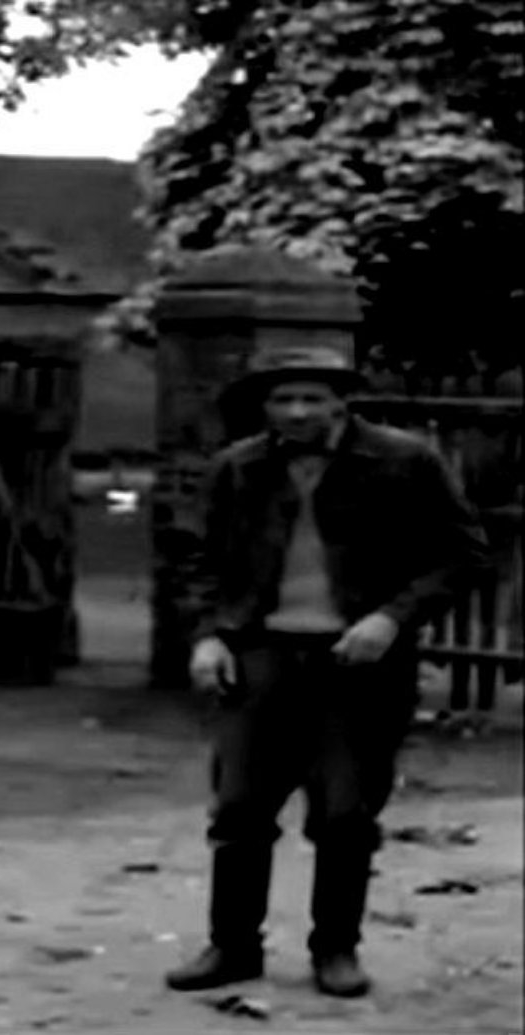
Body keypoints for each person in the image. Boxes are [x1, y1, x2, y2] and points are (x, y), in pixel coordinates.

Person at [165, 342, 491, 998]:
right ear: (264, 406)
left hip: (359, 662)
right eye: (283, 399)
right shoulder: (238, 468)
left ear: (343, 401)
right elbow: (196, 557)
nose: (297, 412)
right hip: (260, 654)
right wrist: (209, 635)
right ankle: (232, 945)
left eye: (312, 398)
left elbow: (462, 555)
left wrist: (391, 617)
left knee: (345, 812)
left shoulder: (405, 462)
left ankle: (336, 948)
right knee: (239, 809)